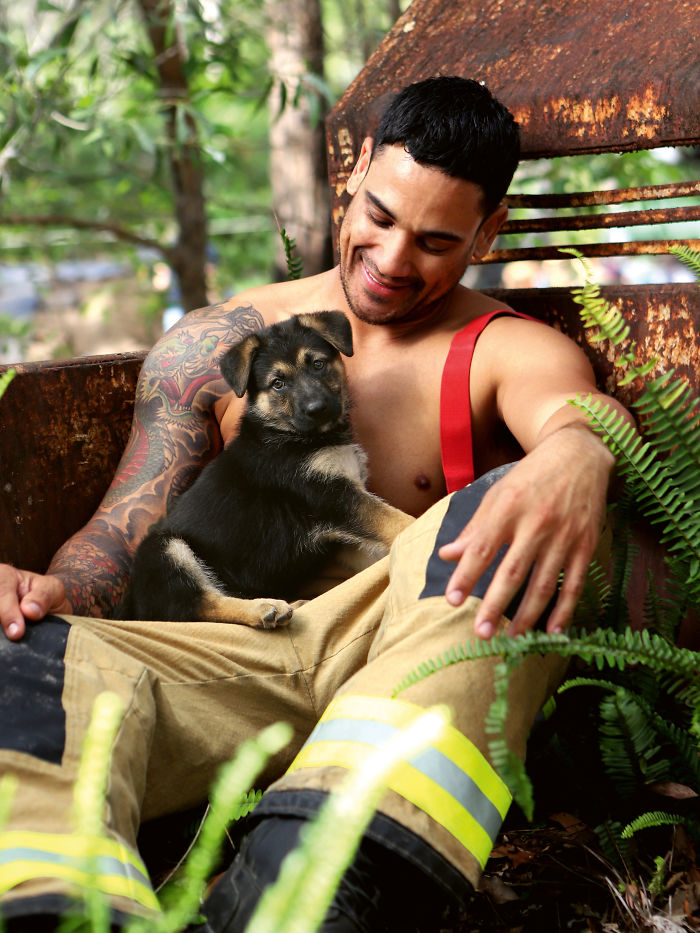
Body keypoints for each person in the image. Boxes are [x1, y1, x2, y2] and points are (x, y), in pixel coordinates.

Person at [0, 77, 632, 931]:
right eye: (379, 214)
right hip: (230, 663)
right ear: (357, 167)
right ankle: (63, 906)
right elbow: (120, 538)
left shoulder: (505, 350)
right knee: (28, 655)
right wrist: (37, 596)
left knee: (509, 523)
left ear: (489, 231)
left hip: (398, 665)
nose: (393, 258)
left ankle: (299, 890)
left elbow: (573, 417)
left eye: (437, 240)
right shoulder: (220, 342)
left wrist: (577, 451)